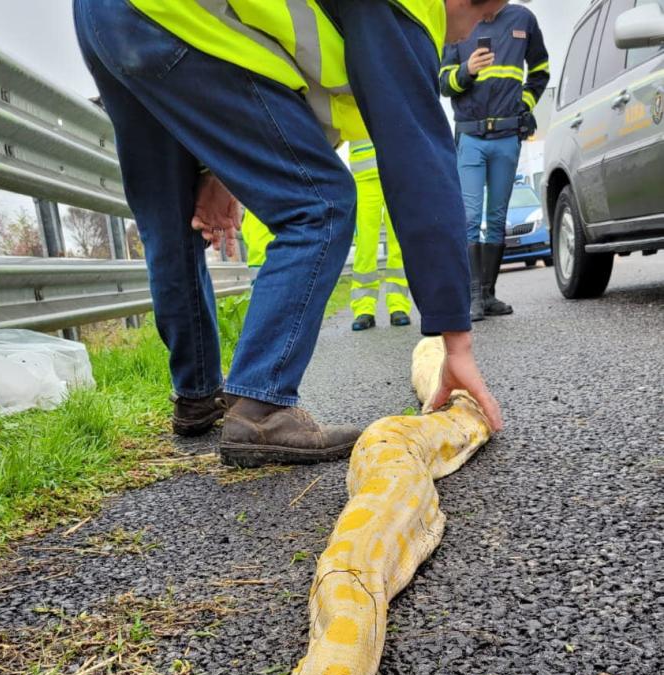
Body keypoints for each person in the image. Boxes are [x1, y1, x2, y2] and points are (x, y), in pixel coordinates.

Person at [74, 0, 504, 469]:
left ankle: (197, 395)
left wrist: (217, 173)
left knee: (170, 219)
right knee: (320, 204)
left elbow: (281, 108)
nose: (471, 35)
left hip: (108, 16)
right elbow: (421, 163)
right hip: (178, 21)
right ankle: (262, 406)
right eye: (484, 16)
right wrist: (455, 340)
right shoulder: (413, 9)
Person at [441, 1, 549, 320]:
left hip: (506, 137)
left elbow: (540, 71)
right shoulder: (457, 19)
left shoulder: (523, 19)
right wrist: (467, 70)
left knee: (497, 217)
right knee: (471, 217)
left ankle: (488, 294)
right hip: (471, 137)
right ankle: (472, 297)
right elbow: (443, 83)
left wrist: (523, 106)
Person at [349, 140, 412, 332]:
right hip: (362, 177)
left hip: (397, 171)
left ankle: (398, 305)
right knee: (365, 246)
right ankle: (363, 308)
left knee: (399, 244)